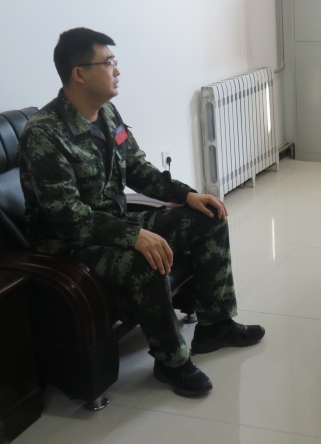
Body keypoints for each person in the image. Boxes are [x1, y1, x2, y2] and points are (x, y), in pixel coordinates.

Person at [19, 27, 265, 397]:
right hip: (69, 245)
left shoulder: (107, 114)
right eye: (108, 63)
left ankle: (215, 326)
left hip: (115, 223)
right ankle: (172, 362)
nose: (117, 70)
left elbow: (136, 168)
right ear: (79, 73)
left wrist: (187, 194)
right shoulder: (45, 134)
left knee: (207, 219)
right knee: (143, 260)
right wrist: (133, 236)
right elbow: (67, 217)